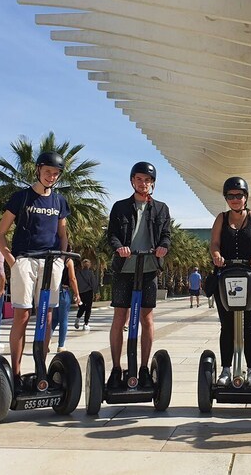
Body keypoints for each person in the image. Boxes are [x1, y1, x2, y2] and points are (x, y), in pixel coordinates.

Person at [0, 151, 69, 388]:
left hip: (51, 261)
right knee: (22, 315)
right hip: (25, 260)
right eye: (47, 172)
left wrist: (61, 259)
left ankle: (40, 370)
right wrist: (12, 261)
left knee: (46, 316)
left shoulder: (59, 201)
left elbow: (62, 234)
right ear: (38, 170)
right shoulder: (22, 197)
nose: (51, 177)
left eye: (55, 174)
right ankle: (15, 374)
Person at [106, 161, 171, 390]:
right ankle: (116, 368)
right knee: (120, 318)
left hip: (149, 268)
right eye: (140, 179)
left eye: (148, 180)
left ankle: (143, 368)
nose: (144, 183)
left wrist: (163, 247)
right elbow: (112, 235)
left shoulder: (161, 208)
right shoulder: (120, 207)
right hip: (125, 268)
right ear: (132, 180)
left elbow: (166, 235)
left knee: (147, 318)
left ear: (153, 183)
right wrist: (119, 247)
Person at [210, 176, 251, 386]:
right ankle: (226, 370)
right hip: (225, 277)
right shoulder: (221, 218)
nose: (235, 199)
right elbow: (215, 243)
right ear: (226, 198)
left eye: (239, 195)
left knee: (249, 325)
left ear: (246, 197)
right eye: (231, 196)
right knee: (226, 325)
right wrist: (216, 256)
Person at [51, 256, 80, 351]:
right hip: (63, 291)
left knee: (54, 319)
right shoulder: (68, 261)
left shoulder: (53, 259)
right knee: (63, 320)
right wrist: (77, 293)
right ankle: (61, 345)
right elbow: (72, 278)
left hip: (53, 290)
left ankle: (46, 342)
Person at [74, 258, 99, 330]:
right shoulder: (90, 273)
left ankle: (77, 318)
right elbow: (93, 283)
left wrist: (75, 293)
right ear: (89, 265)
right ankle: (86, 324)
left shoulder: (78, 273)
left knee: (81, 307)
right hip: (88, 292)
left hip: (80, 293)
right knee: (88, 308)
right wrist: (96, 292)